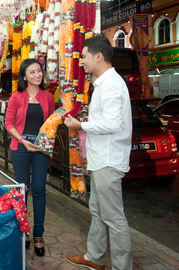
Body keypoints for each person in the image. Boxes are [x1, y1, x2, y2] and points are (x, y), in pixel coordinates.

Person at [64, 36, 133, 270]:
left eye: (84, 56)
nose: (82, 61)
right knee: (97, 210)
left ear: (98, 56)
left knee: (114, 218)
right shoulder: (102, 83)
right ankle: (94, 256)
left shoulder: (112, 84)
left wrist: (80, 125)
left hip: (108, 160)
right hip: (99, 159)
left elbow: (113, 123)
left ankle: (122, 267)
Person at [4, 58, 55, 256]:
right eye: (32, 72)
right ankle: (23, 230)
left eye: (39, 71)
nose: (37, 75)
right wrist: (23, 141)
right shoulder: (17, 96)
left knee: (39, 189)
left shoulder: (48, 97)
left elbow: (50, 123)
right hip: (21, 147)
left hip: (41, 149)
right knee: (21, 190)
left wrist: (45, 142)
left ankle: (38, 234)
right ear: (24, 76)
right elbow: (8, 124)